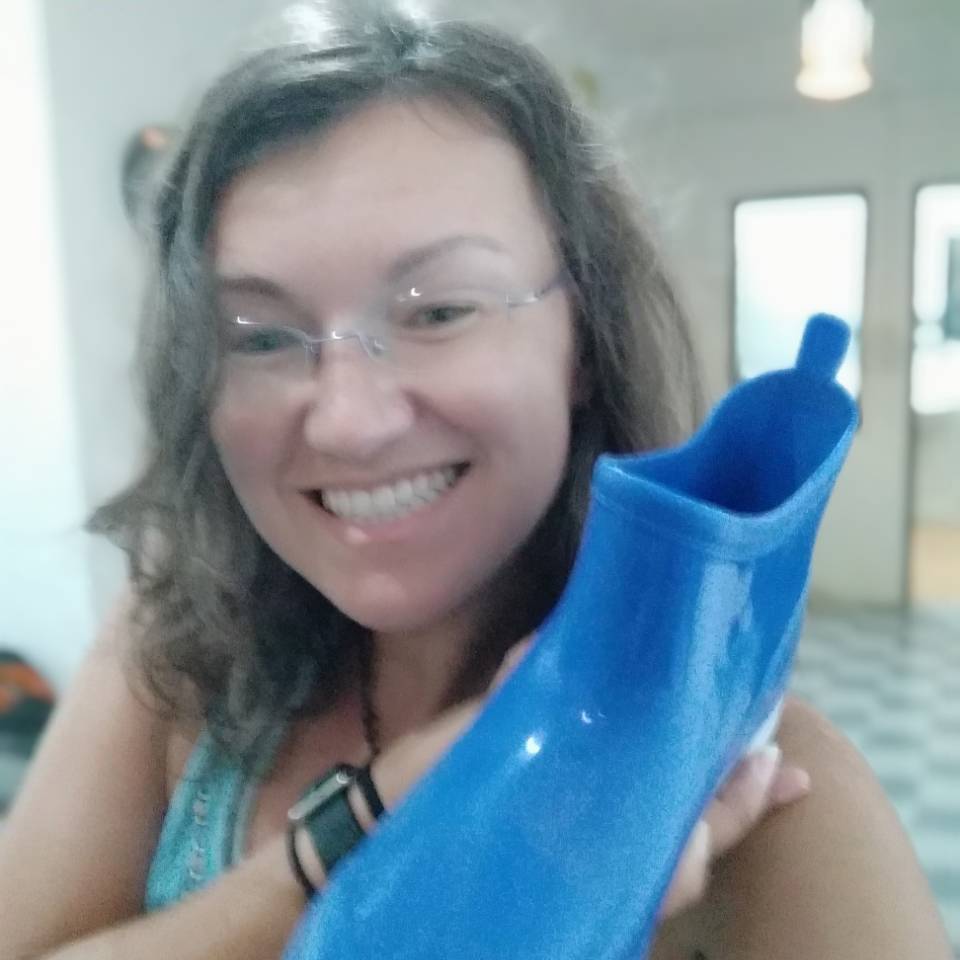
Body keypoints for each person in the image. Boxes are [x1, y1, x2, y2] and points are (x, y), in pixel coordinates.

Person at [0, 3, 951, 958]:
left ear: (584, 340)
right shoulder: (177, 640)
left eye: (439, 311)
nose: (347, 420)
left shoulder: (757, 799)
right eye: (262, 338)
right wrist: (374, 819)